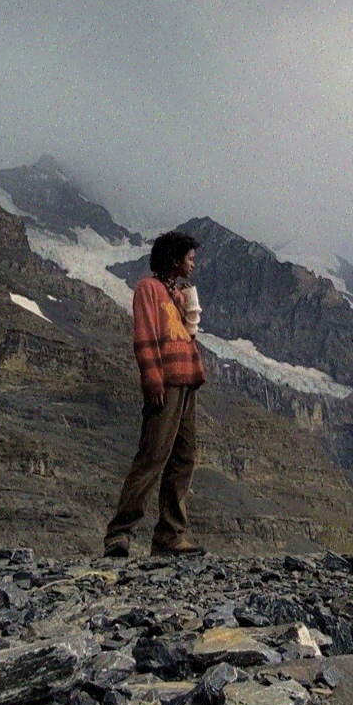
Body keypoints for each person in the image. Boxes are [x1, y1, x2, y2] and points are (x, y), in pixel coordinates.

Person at [103, 231, 206, 557]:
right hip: (167, 383)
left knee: (183, 457)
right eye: (189, 258)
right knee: (153, 456)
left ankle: (170, 535)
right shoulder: (149, 290)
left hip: (187, 383)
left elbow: (186, 334)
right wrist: (152, 380)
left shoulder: (173, 293)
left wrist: (189, 305)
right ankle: (119, 534)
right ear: (175, 259)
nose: (193, 264)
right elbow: (145, 336)